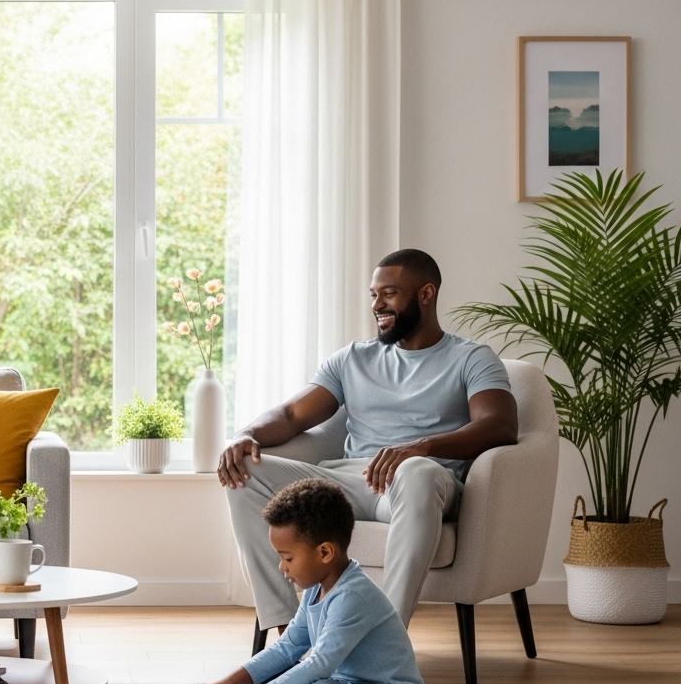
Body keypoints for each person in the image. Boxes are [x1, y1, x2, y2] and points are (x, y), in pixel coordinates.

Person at [219, 249, 518, 632]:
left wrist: (420, 448)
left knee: (417, 472)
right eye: (374, 295)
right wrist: (246, 434)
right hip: (348, 482)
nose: (377, 305)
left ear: (426, 294)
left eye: (389, 293)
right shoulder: (352, 359)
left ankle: (385, 636)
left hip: (416, 487)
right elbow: (293, 414)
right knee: (242, 469)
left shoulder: (472, 359)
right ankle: (289, 632)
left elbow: (500, 425)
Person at [195, 479, 424, 684]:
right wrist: (229, 683)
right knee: (262, 674)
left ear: (325, 552)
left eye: (288, 558)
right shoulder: (316, 588)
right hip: (340, 682)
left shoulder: (353, 596)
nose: (282, 567)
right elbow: (286, 648)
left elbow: (319, 665)